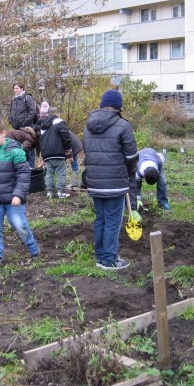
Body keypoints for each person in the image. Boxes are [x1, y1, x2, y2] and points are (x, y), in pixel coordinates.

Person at [83, 89, 138, 270]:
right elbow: (131, 156)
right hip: (115, 183)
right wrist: (130, 175)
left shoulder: (88, 125)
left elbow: (87, 152)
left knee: (101, 219)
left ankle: (100, 257)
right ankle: (109, 260)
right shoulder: (123, 125)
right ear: (118, 106)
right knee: (113, 220)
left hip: (95, 182)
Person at [0, 118, 39, 266]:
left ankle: (31, 245)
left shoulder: (15, 151)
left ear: (3, 133)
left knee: (20, 226)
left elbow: (23, 175)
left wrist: (18, 195)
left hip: (13, 200)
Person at [38, 106, 72, 198]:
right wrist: (67, 150)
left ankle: (49, 192)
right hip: (58, 152)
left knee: (49, 173)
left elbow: (40, 139)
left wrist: (43, 154)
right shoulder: (59, 121)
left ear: (48, 113)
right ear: (57, 113)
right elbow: (66, 137)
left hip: (46, 154)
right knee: (61, 172)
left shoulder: (42, 124)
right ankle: (61, 192)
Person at [128, 148, 171, 218]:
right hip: (141, 156)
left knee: (162, 181)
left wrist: (158, 171)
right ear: (144, 176)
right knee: (136, 183)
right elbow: (137, 186)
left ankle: (163, 202)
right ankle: (136, 203)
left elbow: (163, 155)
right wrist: (138, 199)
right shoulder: (139, 171)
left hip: (154, 157)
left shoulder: (160, 161)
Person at [8, 82, 38, 167]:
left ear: (22, 89)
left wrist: (25, 122)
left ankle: (31, 167)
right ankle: (21, 166)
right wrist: (10, 120)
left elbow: (32, 112)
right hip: (16, 127)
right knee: (17, 147)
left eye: (16, 88)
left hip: (26, 127)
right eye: (14, 88)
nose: (15, 90)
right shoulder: (14, 99)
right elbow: (11, 111)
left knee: (29, 147)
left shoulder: (28, 97)